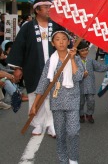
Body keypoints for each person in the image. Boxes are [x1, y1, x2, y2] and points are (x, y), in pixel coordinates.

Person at [7, 0, 64, 136]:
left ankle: (51, 124)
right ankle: (37, 123)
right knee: (34, 94)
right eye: (45, 7)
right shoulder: (27, 27)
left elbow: (66, 42)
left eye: (50, 6)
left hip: (54, 67)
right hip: (33, 67)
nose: (49, 9)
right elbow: (19, 47)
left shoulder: (56, 25)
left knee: (53, 95)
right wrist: (17, 68)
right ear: (37, 10)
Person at [29, 31, 84, 164]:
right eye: (57, 39)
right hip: (57, 101)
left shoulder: (75, 58)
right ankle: (63, 160)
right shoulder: (50, 61)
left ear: (68, 42)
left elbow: (78, 77)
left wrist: (71, 59)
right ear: (53, 43)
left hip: (72, 100)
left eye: (64, 39)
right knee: (60, 134)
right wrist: (34, 104)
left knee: (73, 132)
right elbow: (43, 82)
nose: (61, 42)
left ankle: (73, 159)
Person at [77, 40, 108, 123]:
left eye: (86, 50)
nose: (85, 52)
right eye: (82, 51)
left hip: (90, 84)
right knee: (80, 102)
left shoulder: (90, 61)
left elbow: (99, 67)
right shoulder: (74, 61)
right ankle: (81, 115)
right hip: (79, 86)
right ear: (78, 52)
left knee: (91, 101)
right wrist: (81, 74)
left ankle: (89, 114)